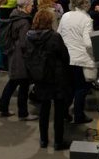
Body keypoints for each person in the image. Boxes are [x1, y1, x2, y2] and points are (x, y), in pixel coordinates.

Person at [23, 8, 72, 150]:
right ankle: (58, 141)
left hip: (40, 78)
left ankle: (43, 140)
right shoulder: (54, 37)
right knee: (58, 111)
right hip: (56, 78)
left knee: (44, 110)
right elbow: (65, 56)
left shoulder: (28, 37)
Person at [59, 0, 96, 125]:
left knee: (68, 88)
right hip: (80, 59)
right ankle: (79, 115)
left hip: (66, 58)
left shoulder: (65, 16)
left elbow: (59, 35)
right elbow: (88, 43)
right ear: (86, 4)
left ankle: (63, 113)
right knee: (82, 89)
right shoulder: (87, 20)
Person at [0, 0, 36, 120]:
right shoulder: (24, 22)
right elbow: (25, 42)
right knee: (23, 86)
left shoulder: (14, 16)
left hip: (14, 54)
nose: (32, 7)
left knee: (13, 82)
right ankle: (23, 113)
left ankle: (3, 108)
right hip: (21, 58)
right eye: (31, 5)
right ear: (25, 6)